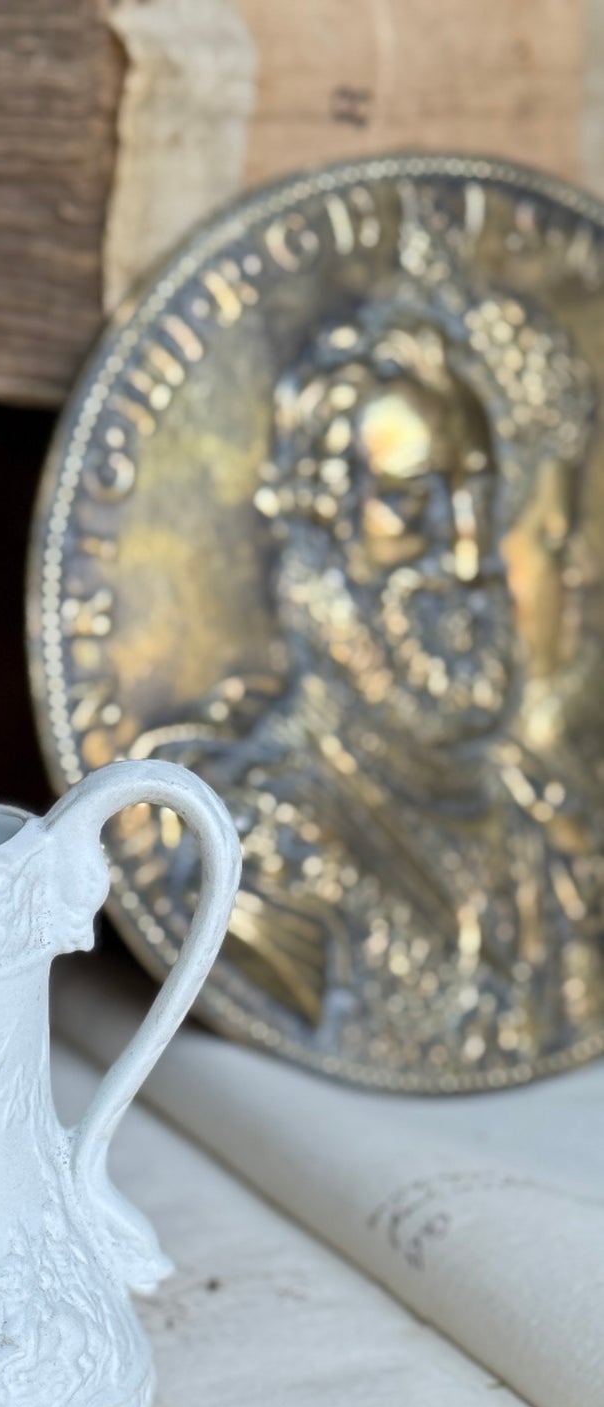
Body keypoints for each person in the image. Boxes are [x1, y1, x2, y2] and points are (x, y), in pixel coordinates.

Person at [122, 226, 603, 1076]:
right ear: (316, 532)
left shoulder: (542, 832)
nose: (465, 557)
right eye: (409, 504)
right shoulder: (262, 856)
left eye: (477, 499)